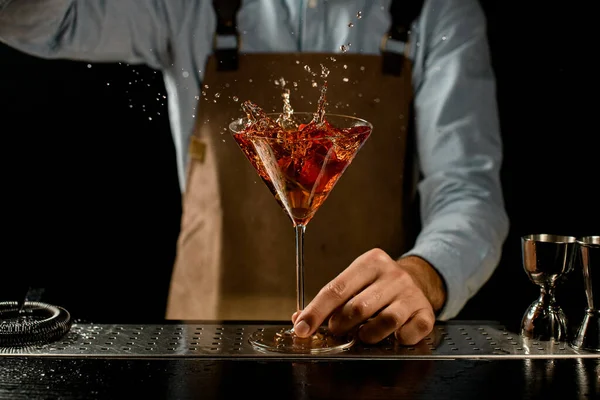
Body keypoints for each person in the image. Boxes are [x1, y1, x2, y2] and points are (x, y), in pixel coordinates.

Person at [0, 0, 509, 346]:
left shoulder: (437, 9)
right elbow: (39, 19)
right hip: (206, 346)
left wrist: (426, 272)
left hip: (370, 344)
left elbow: (469, 188)